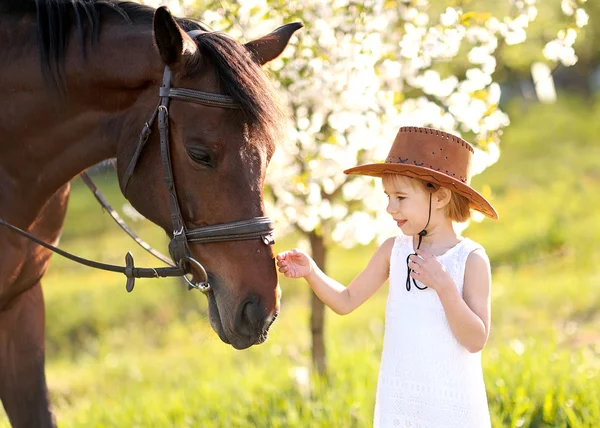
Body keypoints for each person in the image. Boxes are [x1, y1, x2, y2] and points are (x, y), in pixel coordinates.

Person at [276, 126, 499, 428]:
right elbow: (346, 300)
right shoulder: (394, 250)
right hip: (402, 402)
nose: (390, 207)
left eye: (401, 197)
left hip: (451, 406)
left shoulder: (470, 259)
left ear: (442, 196)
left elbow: (475, 340)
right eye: (388, 196)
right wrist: (312, 272)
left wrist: (445, 287)